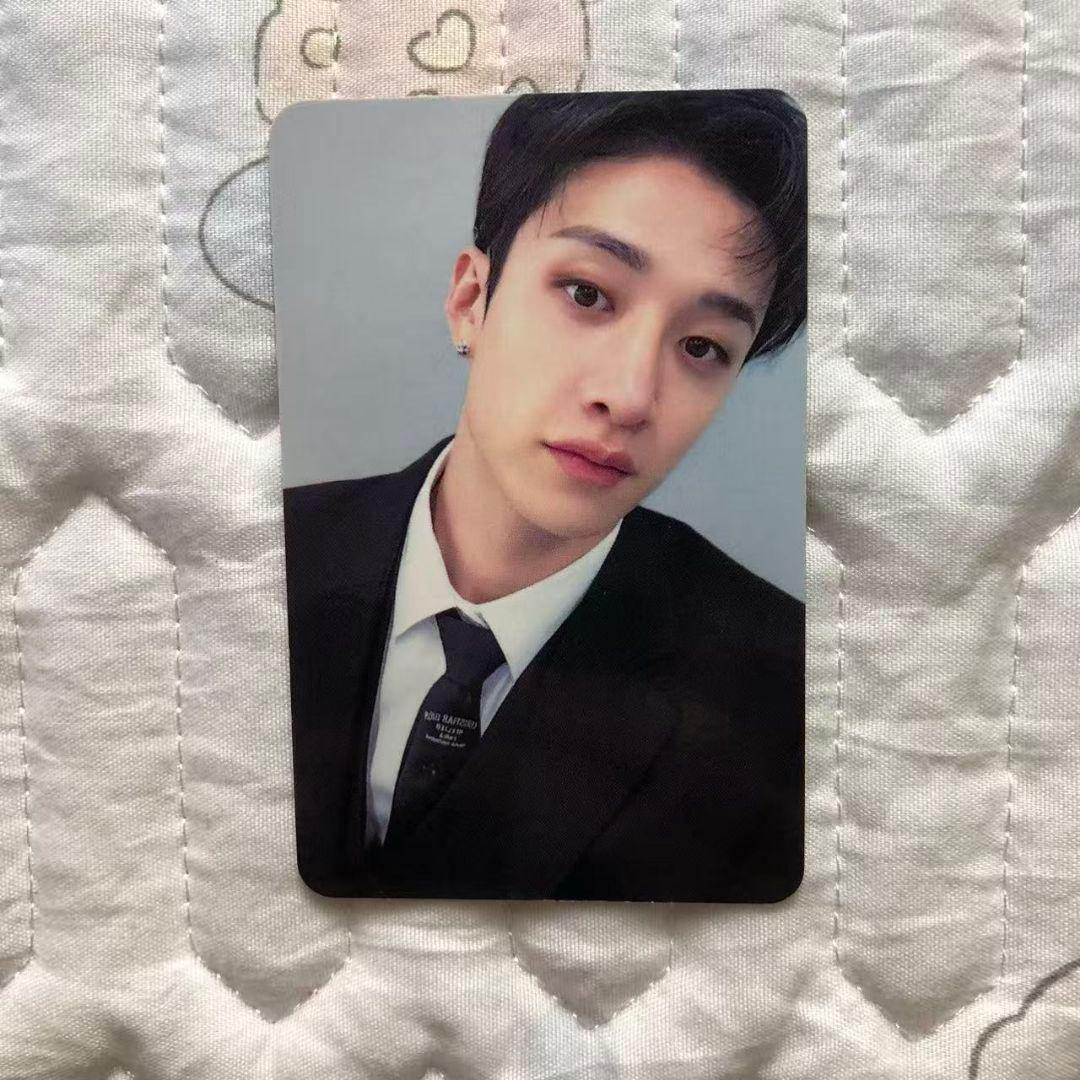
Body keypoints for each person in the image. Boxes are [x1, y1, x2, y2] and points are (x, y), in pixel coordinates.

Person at [283, 89, 807, 901]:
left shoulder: (782, 691)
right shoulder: (273, 548)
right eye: (587, 293)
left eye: (704, 346)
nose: (629, 397)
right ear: (471, 301)